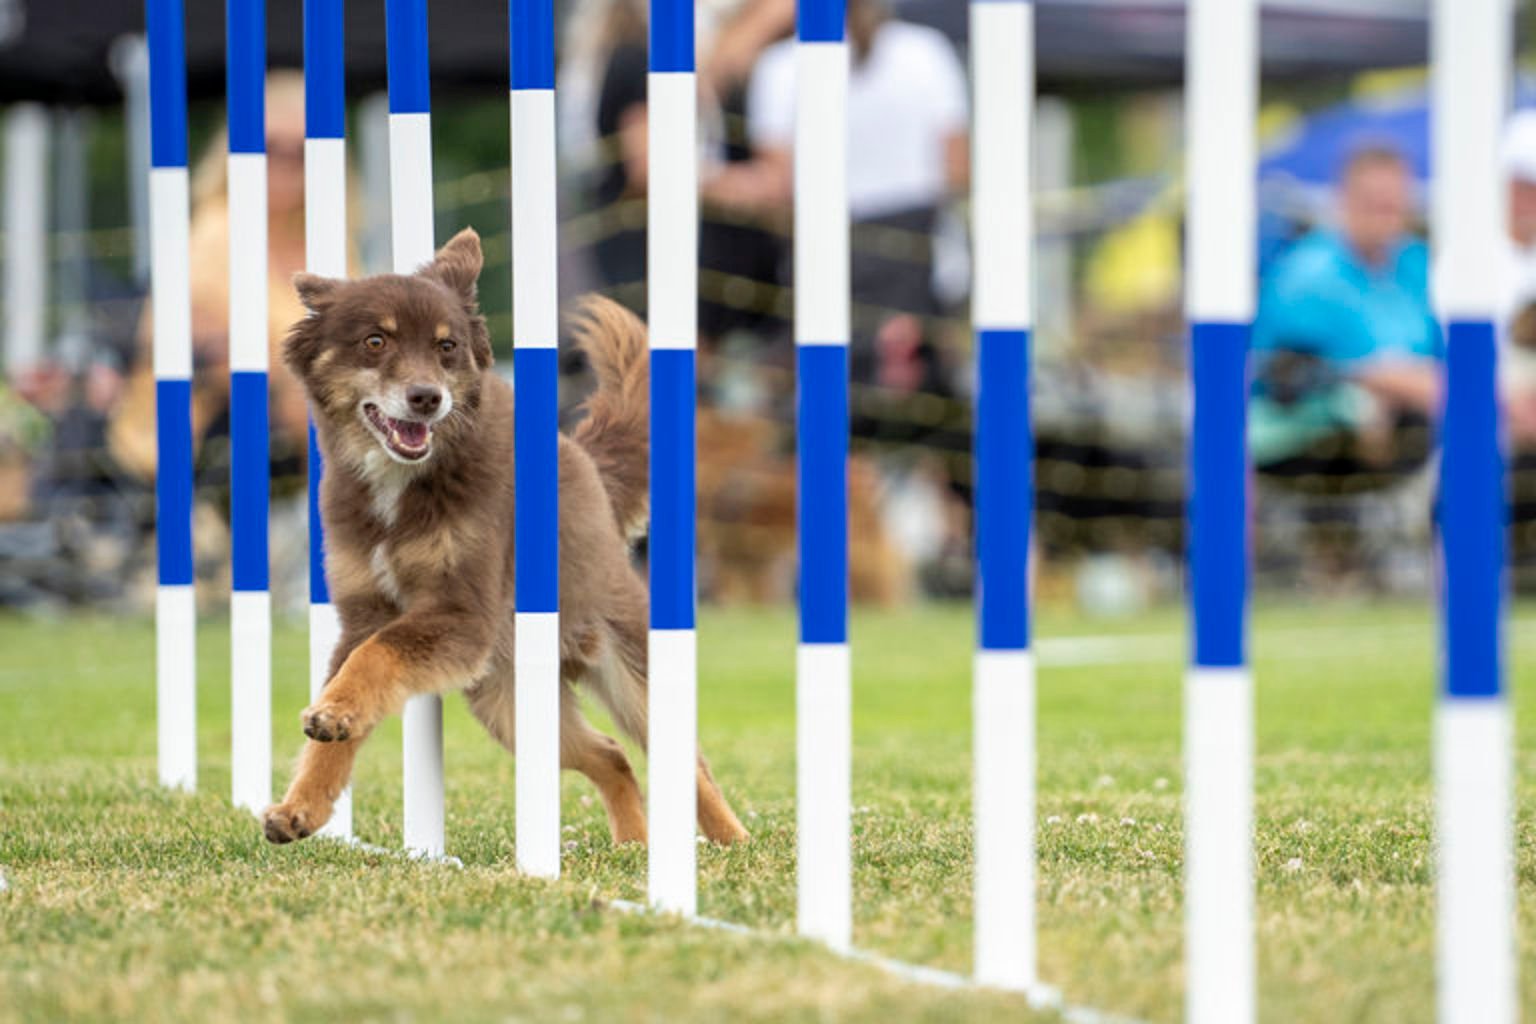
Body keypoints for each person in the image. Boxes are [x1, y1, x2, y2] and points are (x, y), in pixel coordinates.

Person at [1249, 145, 1440, 477]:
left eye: (1394, 202)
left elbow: (1442, 353)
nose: (1385, 212)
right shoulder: (1307, 274)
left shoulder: (1415, 263)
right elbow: (1335, 371)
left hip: (1407, 435)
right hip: (1314, 447)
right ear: (1344, 199)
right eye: (1373, 202)